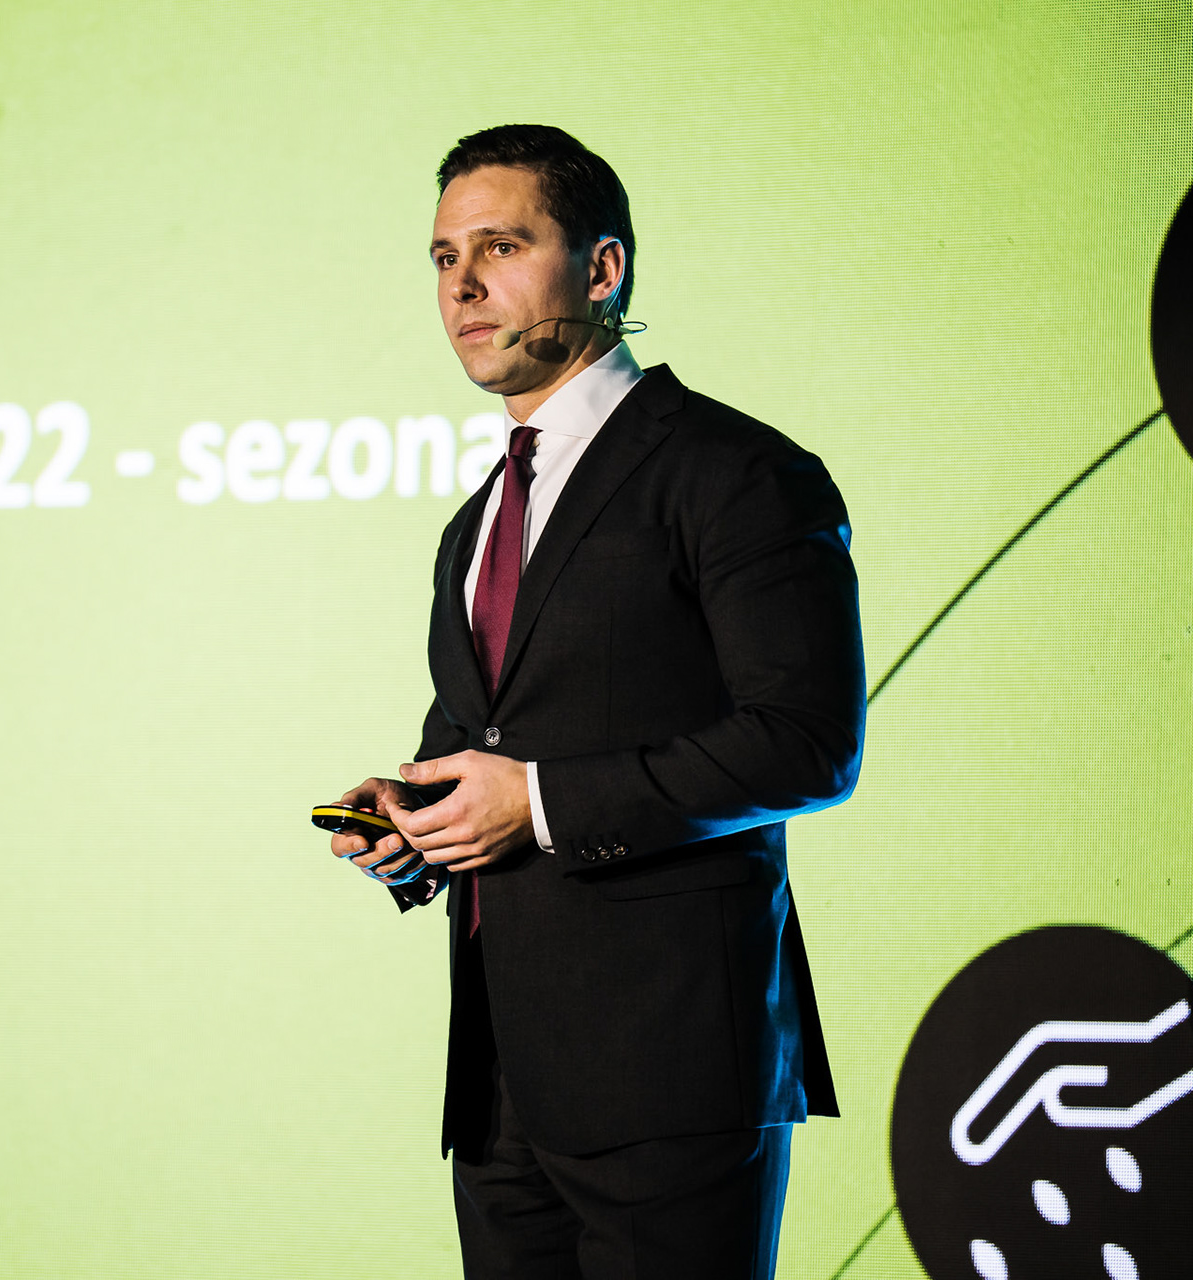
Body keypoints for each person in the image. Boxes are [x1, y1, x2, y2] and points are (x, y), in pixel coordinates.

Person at [325, 124, 867, 1279]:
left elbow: (808, 742)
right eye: (443, 257)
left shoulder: (737, 470)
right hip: (499, 1090)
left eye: (501, 246)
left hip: (673, 1071)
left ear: (604, 267)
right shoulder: (473, 520)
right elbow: (479, 743)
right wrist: (411, 821)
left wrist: (539, 803)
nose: (462, 285)